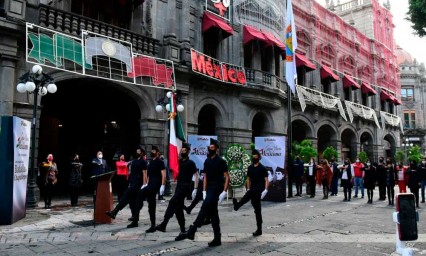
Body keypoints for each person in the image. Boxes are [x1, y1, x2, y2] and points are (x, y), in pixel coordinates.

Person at [175, 138, 230, 247]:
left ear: (217, 149)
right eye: (209, 148)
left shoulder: (221, 161)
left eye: (212, 148)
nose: (210, 149)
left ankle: (192, 230)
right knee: (213, 214)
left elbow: (227, 176)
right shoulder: (207, 161)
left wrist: (224, 191)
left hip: (217, 188)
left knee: (204, 207)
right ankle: (217, 238)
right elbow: (205, 176)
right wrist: (204, 190)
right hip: (209, 188)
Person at [155, 143, 198, 235]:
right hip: (179, 186)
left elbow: (196, 175)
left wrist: (196, 188)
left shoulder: (191, 163)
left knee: (172, 202)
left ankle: (164, 223)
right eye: (181, 151)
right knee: (178, 208)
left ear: (188, 151)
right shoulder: (179, 162)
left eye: (184, 151)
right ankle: (182, 229)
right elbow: (173, 162)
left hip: (185, 187)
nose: (182, 152)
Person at [127, 145, 166, 232]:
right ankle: (153, 225)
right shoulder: (151, 162)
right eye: (151, 151)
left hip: (156, 184)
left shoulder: (160, 162)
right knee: (151, 205)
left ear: (157, 152)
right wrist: (146, 184)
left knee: (140, 193)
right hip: (150, 183)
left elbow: (163, 174)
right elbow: (148, 174)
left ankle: (135, 216)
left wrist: (162, 186)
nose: (152, 152)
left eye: (154, 151)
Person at [232, 149, 269, 236]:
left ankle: (238, 205)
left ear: (259, 157)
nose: (254, 156)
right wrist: (248, 188)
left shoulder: (262, 168)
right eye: (253, 155)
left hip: (259, 190)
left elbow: (266, 180)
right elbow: (248, 179)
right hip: (252, 189)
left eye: (255, 155)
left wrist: (266, 190)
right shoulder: (250, 168)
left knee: (256, 208)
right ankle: (259, 229)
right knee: (256, 209)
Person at [105, 147, 147, 221]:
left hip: (138, 183)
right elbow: (130, 172)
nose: (137, 152)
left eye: (139, 151)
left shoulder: (143, 162)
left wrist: (144, 185)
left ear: (142, 153)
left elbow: (144, 173)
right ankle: (134, 217)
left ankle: (115, 211)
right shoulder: (134, 161)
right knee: (131, 200)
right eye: (137, 150)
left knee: (126, 195)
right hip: (132, 182)